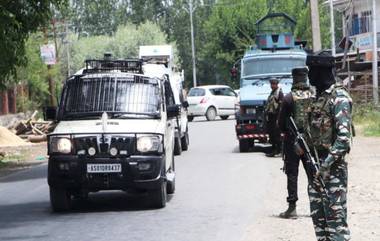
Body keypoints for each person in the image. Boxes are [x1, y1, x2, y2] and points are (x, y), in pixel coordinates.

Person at [307, 52, 352, 241]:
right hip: (317, 170)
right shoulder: (319, 98)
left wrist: (325, 166)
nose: (309, 76)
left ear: (321, 72)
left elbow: (343, 140)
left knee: (336, 227)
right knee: (320, 225)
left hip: (332, 172)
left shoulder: (339, 98)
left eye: (312, 71)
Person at [277, 67, 313, 218]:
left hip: (293, 142)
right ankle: (315, 207)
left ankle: (292, 208)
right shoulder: (314, 96)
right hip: (311, 142)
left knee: (292, 174)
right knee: (313, 173)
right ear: (305, 78)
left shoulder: (288, 98)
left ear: (294, 79)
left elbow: (280, 124)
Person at [265, 78, 283, 157]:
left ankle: (278, 151)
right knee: (272, 134)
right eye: (271, 84)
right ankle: (274, 150)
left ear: (277, 84)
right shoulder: (272, 93)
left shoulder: (279, 93)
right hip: (271, 117)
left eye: (274, 84)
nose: (272, 85)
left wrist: (278, 119)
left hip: (276, 117)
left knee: (276, 135)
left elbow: (281, 107)